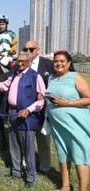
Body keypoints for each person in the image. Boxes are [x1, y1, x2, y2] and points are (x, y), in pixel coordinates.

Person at [0, 52, 46, 189]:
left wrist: (29, 110)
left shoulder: (36, 77)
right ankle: (16, 172)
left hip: (27, 116)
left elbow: (41, 100)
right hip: (12, 113)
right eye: (18, 61)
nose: (20, 63)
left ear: (30, 62)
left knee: (27, 147)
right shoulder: (13, 75)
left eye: (24, 61)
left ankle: (30, 177)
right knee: (14, 145)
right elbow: (1, 86)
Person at [46, 50, 90, 191]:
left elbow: (88, 98)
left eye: (62, 61)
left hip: (76, 125)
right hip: (58, 126)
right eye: (56, 61)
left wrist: (67, 104)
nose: (58, 64)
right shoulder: (51, 78)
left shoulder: (75, 77)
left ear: (69, 63)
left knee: (80, 156)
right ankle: (65, 186)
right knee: (62, 154)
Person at [23, 40, 54, 175]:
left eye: (31, 49)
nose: (28, 52)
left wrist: (46, 94)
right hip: (25, 109)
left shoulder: (49, 64)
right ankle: (26, 163)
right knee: (26, 137)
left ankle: (45, 166)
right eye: (26, 49)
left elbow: (59, 82)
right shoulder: (21, 65)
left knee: (43, 139)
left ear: (38, 50)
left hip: (43, 110)